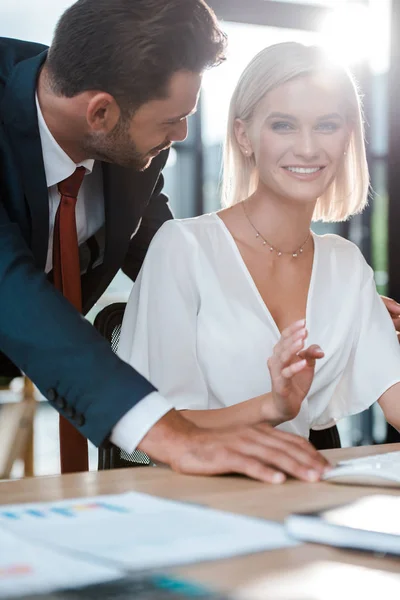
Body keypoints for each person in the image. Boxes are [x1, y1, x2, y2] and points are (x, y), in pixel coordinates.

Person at [0, 1, 330, 482]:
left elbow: (175, 258)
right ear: (100, 112)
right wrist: (176, 436)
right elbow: (12, 292)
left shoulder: (130, 137)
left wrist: (315, 298)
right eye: (172, 119)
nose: (182, 133)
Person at [118, 42, 400, 444]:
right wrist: (274, 407)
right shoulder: (182, 248)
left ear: (346, 138)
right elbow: (161, 427)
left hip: (307, 492)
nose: (308, 147)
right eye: (283, 125)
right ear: (244, 136)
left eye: (327, 125)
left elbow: (395, 396)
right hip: (202, 496)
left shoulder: (345, 264)